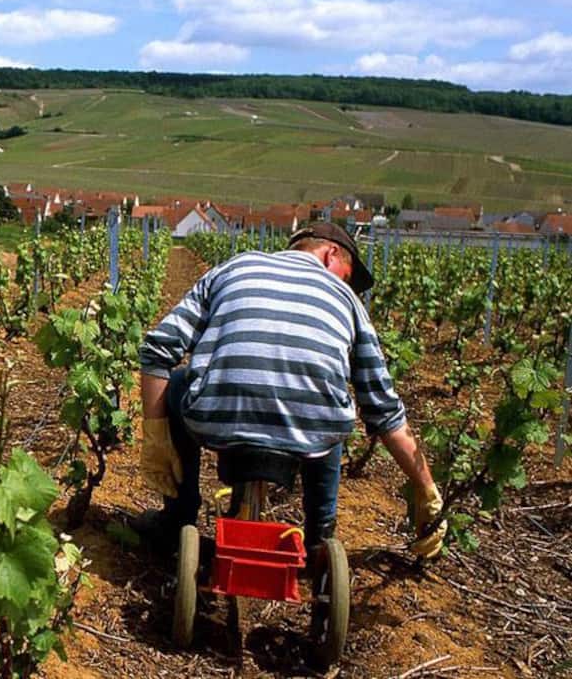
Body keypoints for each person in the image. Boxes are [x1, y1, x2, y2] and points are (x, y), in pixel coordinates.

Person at [137, 222, 446, 559]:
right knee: (331, 407)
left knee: (181, 380)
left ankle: (178, 519)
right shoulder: (348, 302)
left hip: (216, 417)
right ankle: (320, 537)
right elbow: (385, 412)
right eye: (349, 274)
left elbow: (158, 350)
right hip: (309, 431)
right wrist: (426, 488)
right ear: (331, 254)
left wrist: (156, 437)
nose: (347, 284)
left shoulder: (236, 267)